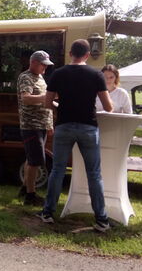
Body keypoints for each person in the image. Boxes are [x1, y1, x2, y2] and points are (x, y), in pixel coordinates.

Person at [37, 39, 114, 232]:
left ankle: (48, 213)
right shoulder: (96, 74)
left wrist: (59, 105)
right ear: (87, 55)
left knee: (57, 170)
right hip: (88, 127)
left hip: (64, 126)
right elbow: (108, 107)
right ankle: (101, 219)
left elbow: (47, 103)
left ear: (70, 53)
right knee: (94, 174)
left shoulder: (58, 74)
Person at [17, 50, 54, 206]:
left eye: (46, 66)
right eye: (42, 65)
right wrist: (48, 97)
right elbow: (26, 99)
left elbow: (45, 103)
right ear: (33, 63)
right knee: (36, 160)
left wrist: (49, 124)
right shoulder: (26, 77)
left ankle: (25, 188)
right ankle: (31, 196)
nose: (45, 68)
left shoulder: (40, 78)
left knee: (31, 159)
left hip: (41, 125)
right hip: (31, 125)